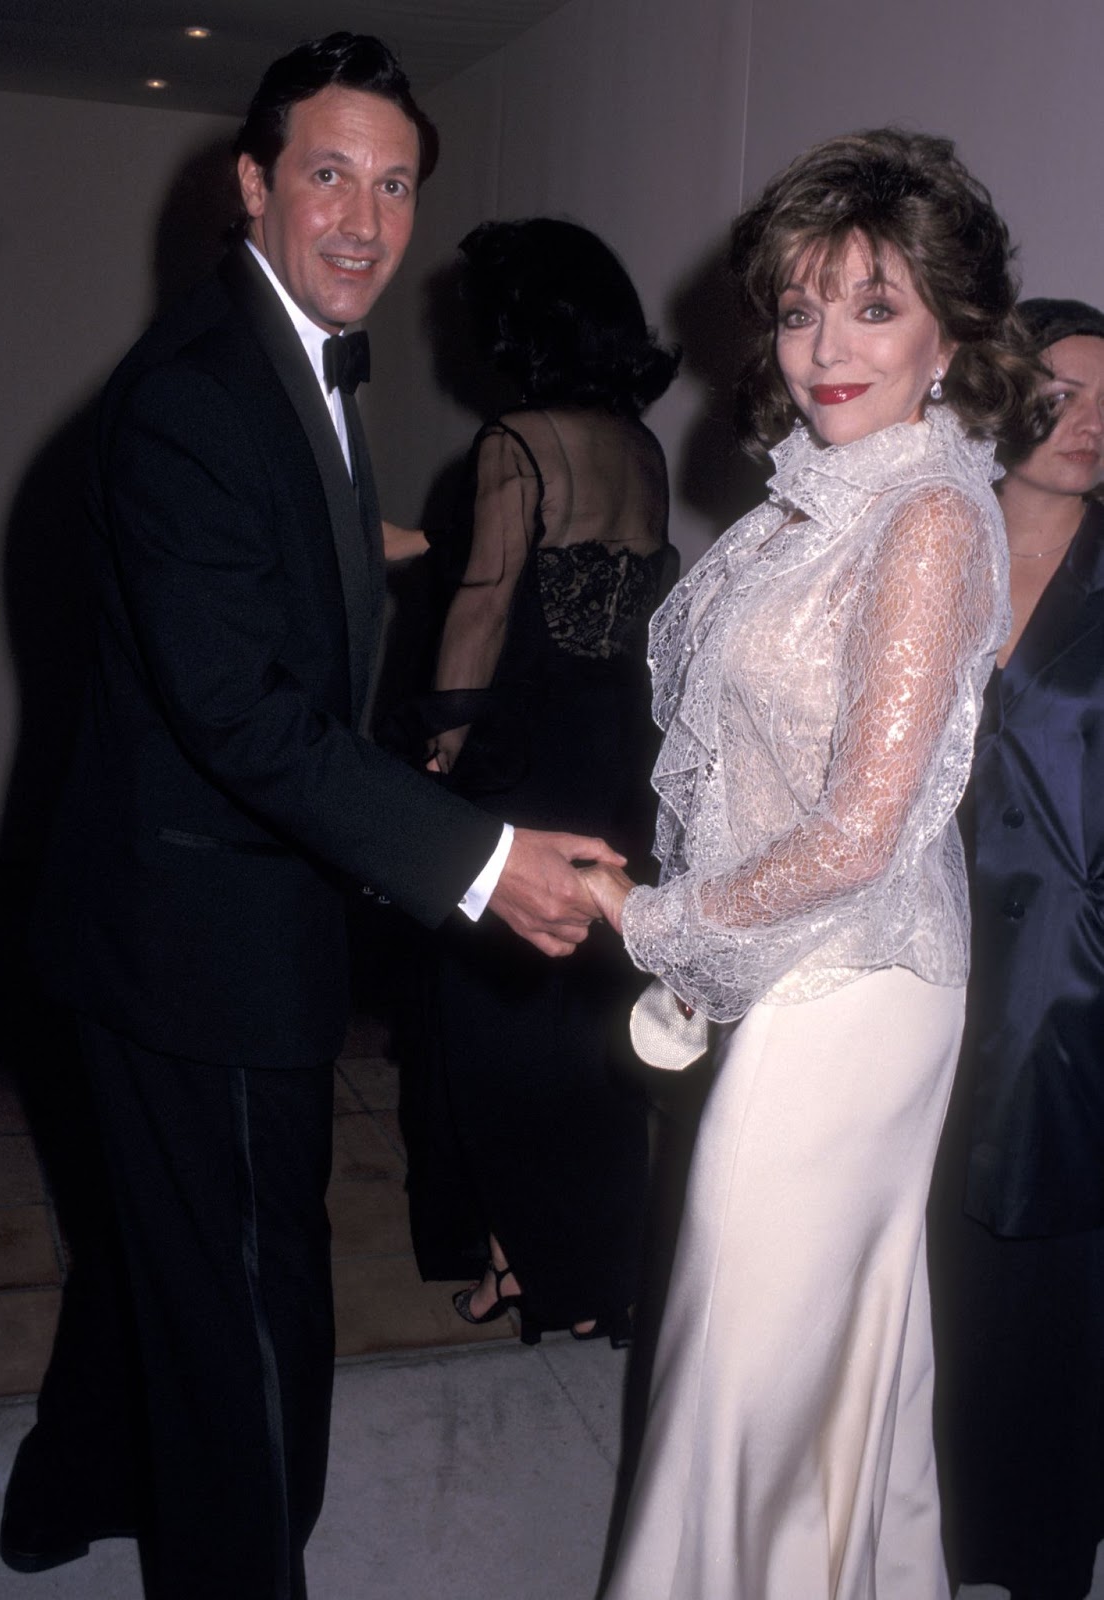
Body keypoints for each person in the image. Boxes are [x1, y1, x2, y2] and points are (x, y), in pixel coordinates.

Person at [0, 34, 621, 1600]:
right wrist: (476, 859)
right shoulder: (201, 396)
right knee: (249, 1312)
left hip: (180, 904)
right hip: (189, 935)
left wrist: (375, 544)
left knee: (165, 1258)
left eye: (394, 182)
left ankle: (59, 1498)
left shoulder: (277, 360)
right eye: (328, 174)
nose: (362, 216)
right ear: (257, 184)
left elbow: (287, 530)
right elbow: (238, 716)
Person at [582, 128, 1043, 1598]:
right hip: (816, 967)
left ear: (953, 333)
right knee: (800, 1344)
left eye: (874, 304)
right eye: (799, 307)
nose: (825, 346)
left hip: (854, 990)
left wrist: (658, 919)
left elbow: (859, 830)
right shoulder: (822, 506)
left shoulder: (916, 517)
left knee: (740, 1346)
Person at [401, 218, 679, 1345]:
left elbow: (482, 605)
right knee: (586, 1026)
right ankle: (572, 1269)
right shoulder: (640, 447)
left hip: (518, 756)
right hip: (614, 758)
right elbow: (625, 611)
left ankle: (519, 1258)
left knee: (488, 1026)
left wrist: (439, 748)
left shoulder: (517, 441)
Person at [928, 298, 1104, 1600]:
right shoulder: (934, 543)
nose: (1089, 420)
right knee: (933, 1245)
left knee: (1057, 1273)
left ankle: (1043, 1549)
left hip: (1071, 977)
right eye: (1061, 391)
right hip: (922, 949)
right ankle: (938, 1529)